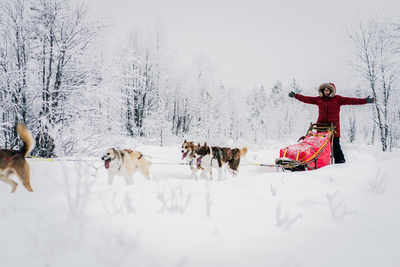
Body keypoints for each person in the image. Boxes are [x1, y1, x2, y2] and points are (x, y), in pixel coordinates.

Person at [288, 83, 375, 164]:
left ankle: (340, 163)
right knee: (320, 147)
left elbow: (352, 100)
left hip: (333, 128)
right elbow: (306, 99)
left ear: (331, 91)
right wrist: (295, 96)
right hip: (321, 127)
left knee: (335, 147)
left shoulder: (338, 99)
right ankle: (319, 162)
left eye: (328, 90)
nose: (326, 91)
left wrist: (365, 101)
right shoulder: (319, 100)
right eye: (324, 90)